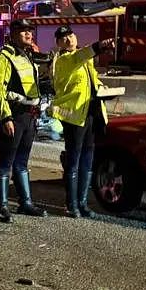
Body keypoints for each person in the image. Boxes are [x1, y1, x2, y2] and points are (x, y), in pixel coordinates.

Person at [50, 25, 115, 218]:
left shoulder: (84, 60)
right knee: (73, 161)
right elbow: (80, 57)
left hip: (89, 114)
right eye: (64, 38)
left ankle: (83, 203)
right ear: (58, 44)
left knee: (87, 161)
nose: (69, 40)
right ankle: (71, 205)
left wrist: (104, 89)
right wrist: (99, 46)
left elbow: (93, 80)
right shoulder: (63, 59)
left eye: (71, 35)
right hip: (74, 116)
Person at [0, 19, 46, 221]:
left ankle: (25, 203)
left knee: (22, 161)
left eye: (30, 31)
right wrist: (6, 117)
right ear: (12, 34)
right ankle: (2, 207)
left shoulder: (27, 56)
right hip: (13, 115)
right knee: (6, 160)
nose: (28, 34)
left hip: (29, 115)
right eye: (23, 31)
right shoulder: (4, 57)